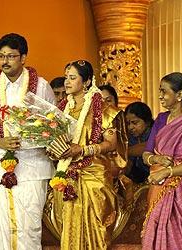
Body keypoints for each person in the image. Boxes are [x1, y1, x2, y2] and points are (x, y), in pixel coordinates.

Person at [0, 33, 55, 250]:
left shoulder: (41, 87)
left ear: (23, 58)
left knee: (28, 229)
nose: (4, 61)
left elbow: (53, 125)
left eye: (11, 56)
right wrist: (0, 142)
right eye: (1, 56)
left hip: (32, 169)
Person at [47, 60, 127, 249]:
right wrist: (52, 150)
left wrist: (83, 150)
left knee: (97, 231)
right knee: (68, 229)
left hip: (94, 176)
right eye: (66, 77)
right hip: (66, 176)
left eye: (72, 78)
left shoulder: (104, 109)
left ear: (87, 82)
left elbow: (111, 144)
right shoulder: (59, 111)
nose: (67, 82)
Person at [141, 72, 182, 249]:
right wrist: (156, 158)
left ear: (179, 95)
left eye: (164, 91)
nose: (160, 96)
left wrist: (168, 171)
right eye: (159, 91)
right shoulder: (161, 120)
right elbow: (146, 154)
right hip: (159, 186)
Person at [125, 102, 154, 183]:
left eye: (135, 123)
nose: (130, 127)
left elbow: (147, 147)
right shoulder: (131, 137)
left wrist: (123, 151)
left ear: (147, 122)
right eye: (128, 123)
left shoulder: (156, 132)